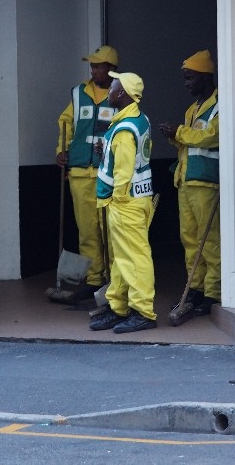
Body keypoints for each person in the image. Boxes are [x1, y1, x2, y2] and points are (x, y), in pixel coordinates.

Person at [88, 71, 157, 334]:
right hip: (131, 200)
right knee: (122, 259)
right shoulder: (134, 120)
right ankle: (118, 307)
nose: (109, 90)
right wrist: (105, 149)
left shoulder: (126, 128)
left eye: (114, 86)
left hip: (125, 202)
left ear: (124, 94)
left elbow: (124, 170)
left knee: (135, 258)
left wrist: (116, 200)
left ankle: (143, 312)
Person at [159, 49, 220, 320]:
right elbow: (190, 141)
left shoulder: (220, 104)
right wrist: (174, 137)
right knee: (190, 240)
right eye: (185, 79)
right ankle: (194, 288)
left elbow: (211, 137)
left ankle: (213, 291)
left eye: (191, 78)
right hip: (185, 180)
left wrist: (180, 132)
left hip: (207, 182)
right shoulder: (192, 109)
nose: (187, 84)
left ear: (206, 76)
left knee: (210, 240)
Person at [55, 45, 119, 300]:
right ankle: (94, 280)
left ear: (112, 69)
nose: (93, 70)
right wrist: (61, 150)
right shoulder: (78, 93)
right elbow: (65, 123)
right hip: (80, 172)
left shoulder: (121, 94)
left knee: (112, 231)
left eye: (99, 66)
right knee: (88, 231)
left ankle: (115, 281)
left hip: (108, 174)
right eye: (92, 66)